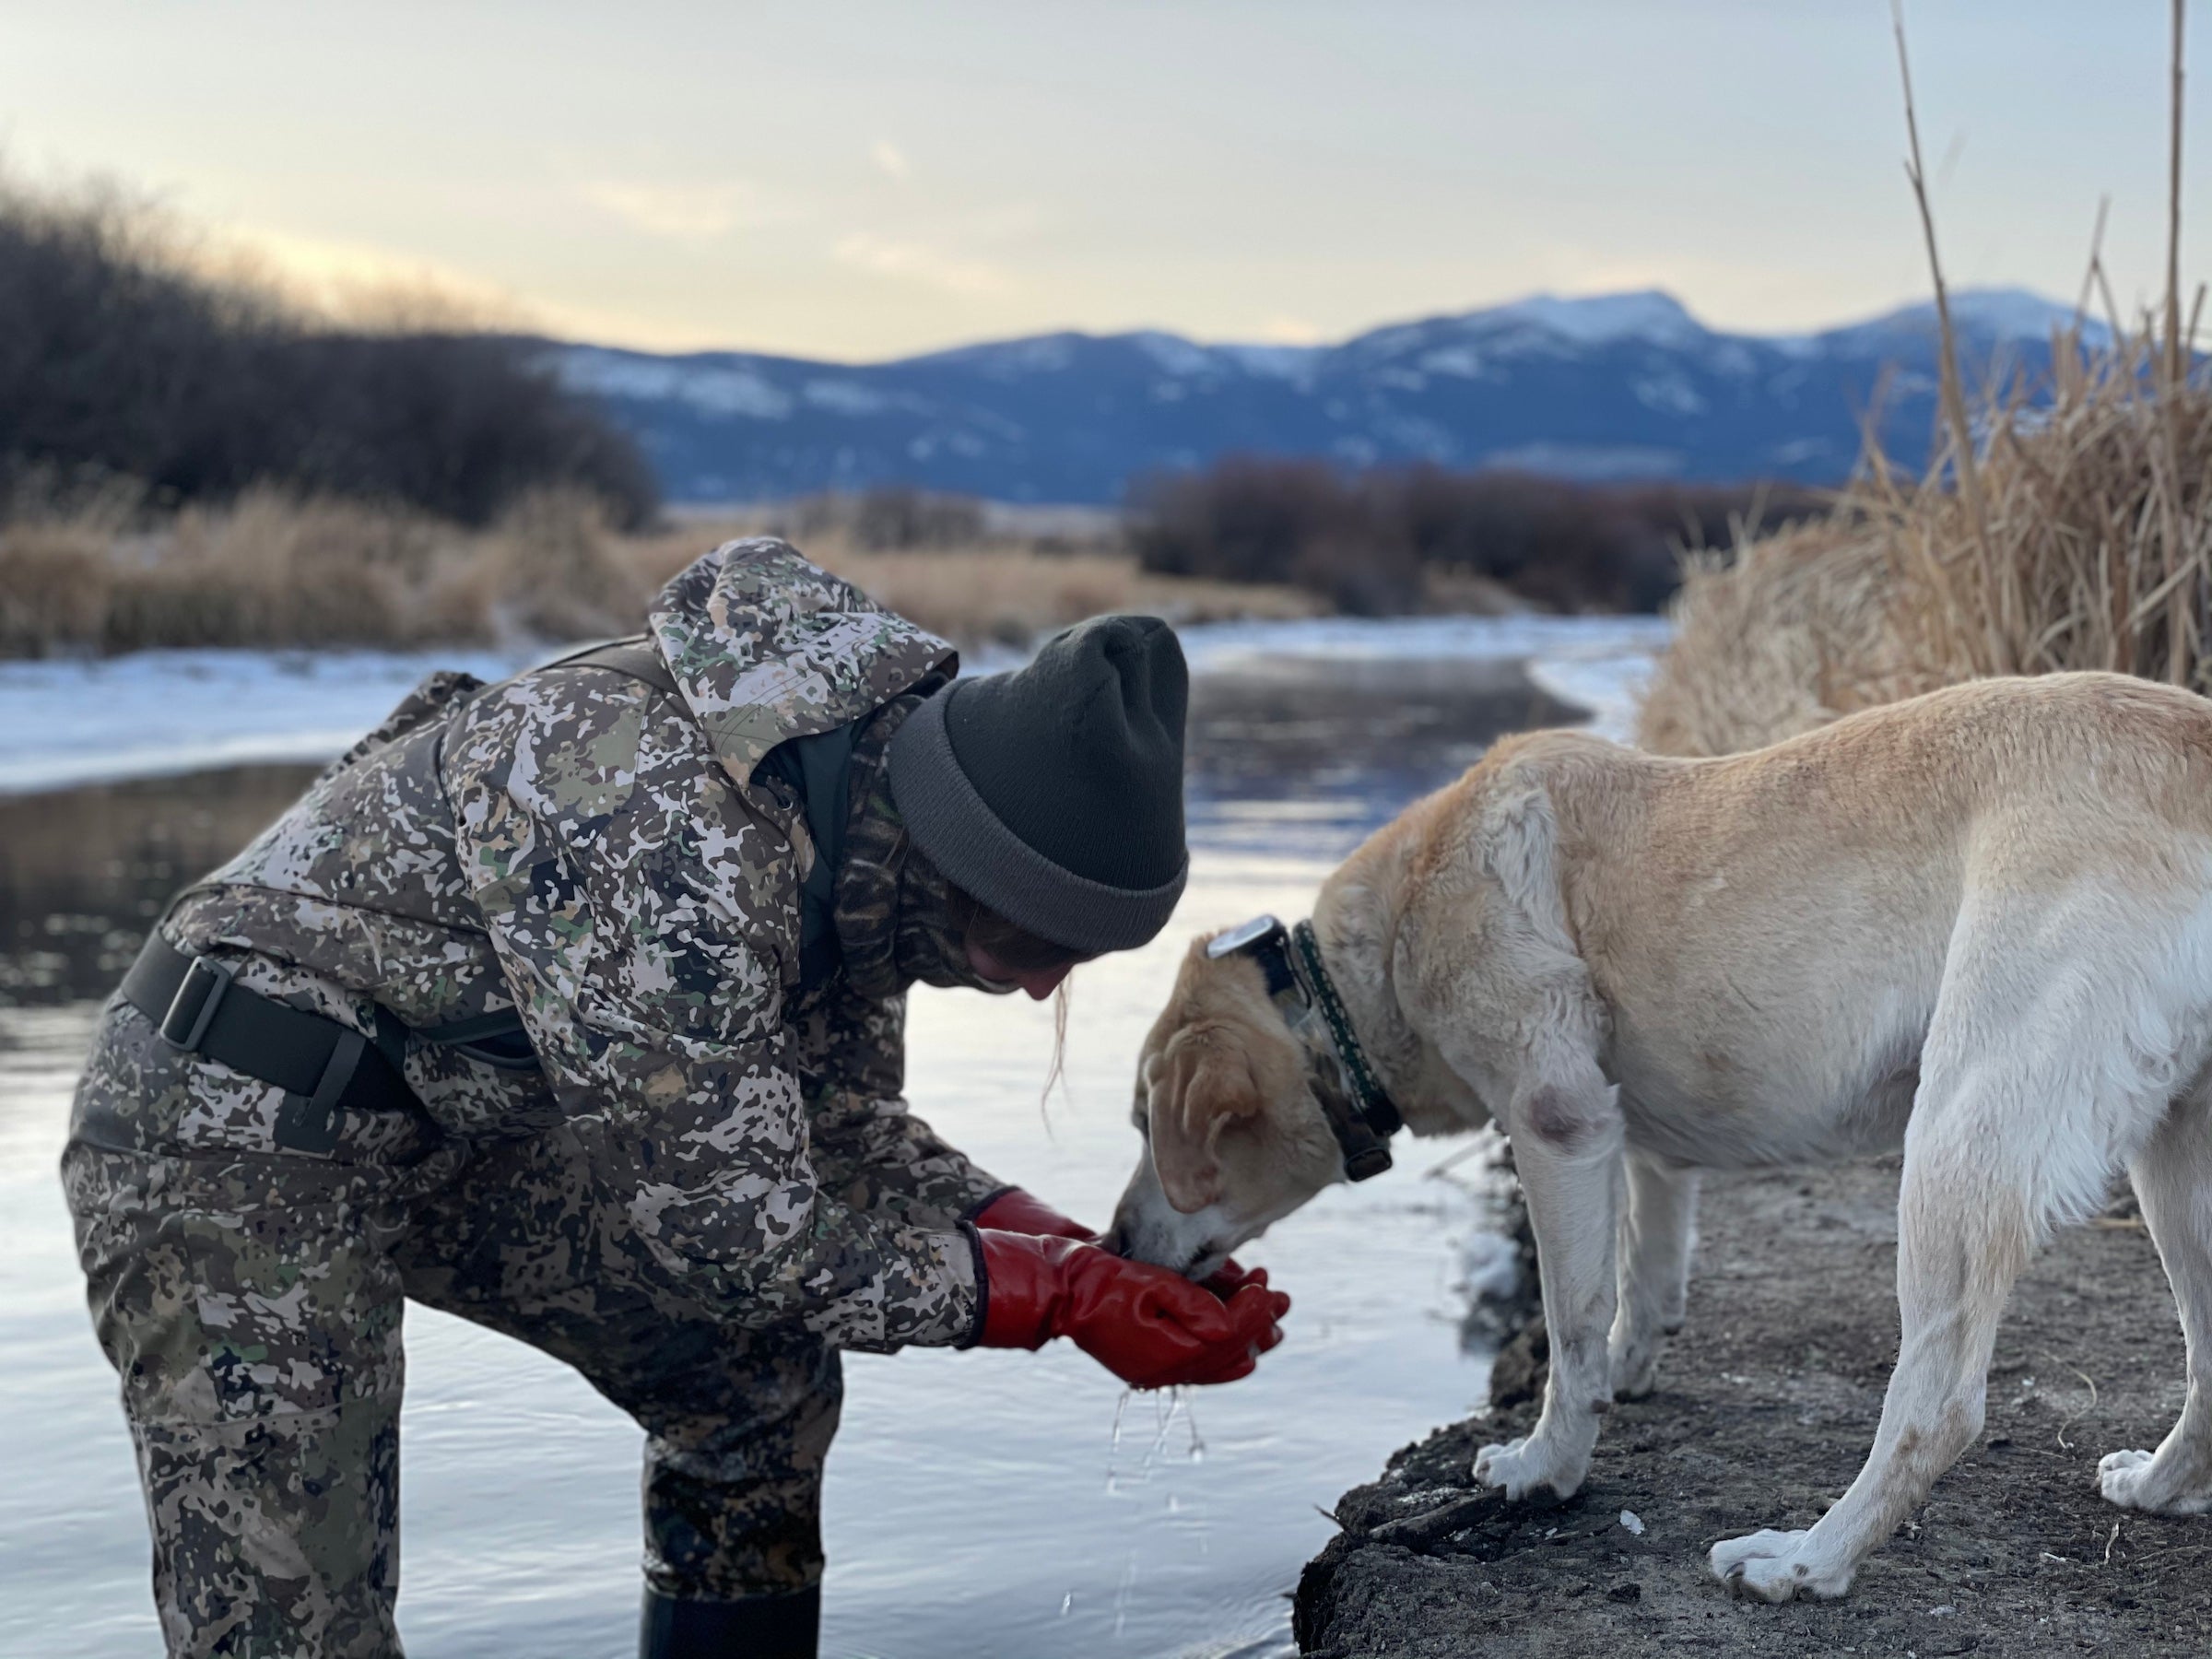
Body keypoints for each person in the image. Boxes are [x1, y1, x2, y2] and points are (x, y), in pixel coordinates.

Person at [61, 537, 1291, 1659]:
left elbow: (833, 1133)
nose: (1040, 991)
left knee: (753, 1384)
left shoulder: (869, 826)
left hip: (464, 1114)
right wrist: (1062, 1302)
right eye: (1038, 947)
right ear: (966, 860)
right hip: (227, 1123)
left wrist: (1077, 1250)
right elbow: (733, 1239)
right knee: (292, 1624)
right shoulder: (672, 833)